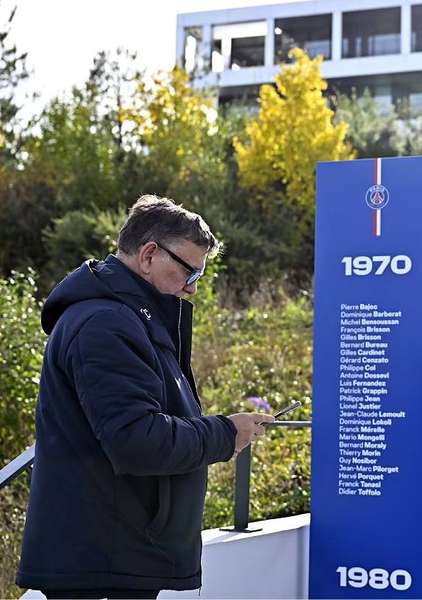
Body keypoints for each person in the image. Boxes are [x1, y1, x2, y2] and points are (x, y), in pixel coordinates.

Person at [16, 195, 274, 599]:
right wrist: (225, 434)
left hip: (117, 555)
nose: (191, 289)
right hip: (100, 565)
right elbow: (137, 441)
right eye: (190, 272)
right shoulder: (105, 324)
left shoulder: (134, 317)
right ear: (150, 254)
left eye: (199, 279)